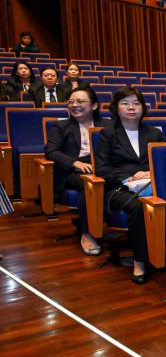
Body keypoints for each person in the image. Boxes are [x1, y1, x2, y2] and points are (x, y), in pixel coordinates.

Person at [94, 87, 163, 284]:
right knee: (140, 207)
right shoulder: (108, 134)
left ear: (143, 107)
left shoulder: (154, 133)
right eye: (125, 103)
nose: (131, 107)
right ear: (116, 108)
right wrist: (128, 177)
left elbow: (163, 162)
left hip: (151, 184)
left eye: (136, 103)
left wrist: (150, 173)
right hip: (120, 188)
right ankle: (140, 261)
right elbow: (102, 168)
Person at [43, 86, 110, 256]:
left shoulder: (108, 125)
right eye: (71, 102)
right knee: (88, 185)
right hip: (72, 170)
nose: (74, 105)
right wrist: (75, 162)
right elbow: (50, 151)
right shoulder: (61, 126)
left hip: (102, 166)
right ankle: (87, 233)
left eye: (80, 101)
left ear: (94, 105)